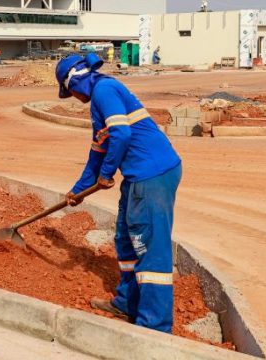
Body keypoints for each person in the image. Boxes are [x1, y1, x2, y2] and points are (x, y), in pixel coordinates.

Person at [55, 53, 182, 334]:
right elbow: (97, 153)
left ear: (75, 80)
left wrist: (106, 173)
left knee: (150, 250)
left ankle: (155, 328)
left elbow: (122, 134)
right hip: (138, 176)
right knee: (126, 240)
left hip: (152, 175)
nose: (73, 97)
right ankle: (127, 302)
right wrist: (78, 191)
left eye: (70, 91)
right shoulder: (100, 100)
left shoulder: (104, 90)